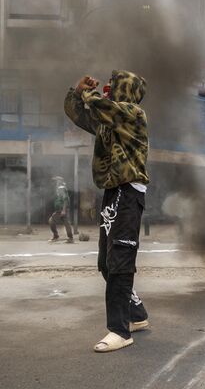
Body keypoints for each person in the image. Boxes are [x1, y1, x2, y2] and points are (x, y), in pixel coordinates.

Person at [64, 71, 150, 352]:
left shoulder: (132, 114)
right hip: (113, 192)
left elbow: (103, 106)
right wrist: (77, 92)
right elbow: (80, 115)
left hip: (129, 192)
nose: (108, 89)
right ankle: (137, 315)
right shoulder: (108, 122)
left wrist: (92, 96)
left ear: (126, 91)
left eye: (114, 87)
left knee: (120, 261)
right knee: (106, 262)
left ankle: (119, 330)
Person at [48, 176, 74, 244]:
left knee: (51, 221)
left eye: (56, 181)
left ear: (59, 181)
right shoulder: (59, 188)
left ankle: (57, 236)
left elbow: (65, 199)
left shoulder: (61, 188)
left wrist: (64, 210)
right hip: (60, 210)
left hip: (61, 209)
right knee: (66, 223)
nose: (55, 182)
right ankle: (69, 238)